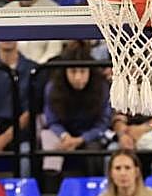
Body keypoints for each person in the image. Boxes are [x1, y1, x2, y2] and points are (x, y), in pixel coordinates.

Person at [39, 42, 112, 182]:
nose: (78, 77)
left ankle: (94, 190)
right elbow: (52, 120)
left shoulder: (101, 87)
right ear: (65, 71)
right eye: (73, 71)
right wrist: (65, 136)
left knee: (93, 150)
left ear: (90, 71)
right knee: (49, 146)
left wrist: (80, 139)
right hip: (62, 134)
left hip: (91, 135)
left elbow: (103, 122)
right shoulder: (53, 87)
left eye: (83, 71)